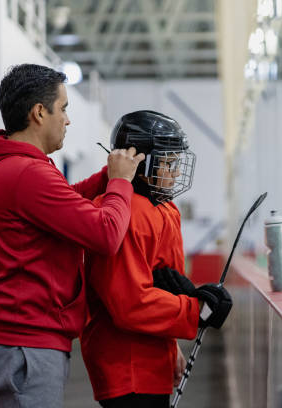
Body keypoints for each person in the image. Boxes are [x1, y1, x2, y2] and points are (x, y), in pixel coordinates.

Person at [0, 64, 144, 407]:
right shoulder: (26, 173)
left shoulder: (14, 166)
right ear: (38, 113)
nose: (67, 120)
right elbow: (107, 234)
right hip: (25, 347)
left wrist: (107, 176)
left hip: (19, 342)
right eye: (63, 109)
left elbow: (65, 202)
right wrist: (121, 183)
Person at [81, 110, 232, 408]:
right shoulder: (125, 213)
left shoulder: (165, 209)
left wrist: (171, 344)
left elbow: (162, 283)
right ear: (140, 163)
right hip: (127, 366)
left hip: (152, 359)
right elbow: (129, 303)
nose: (176, 173)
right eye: (169, 163)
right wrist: (194, 310)